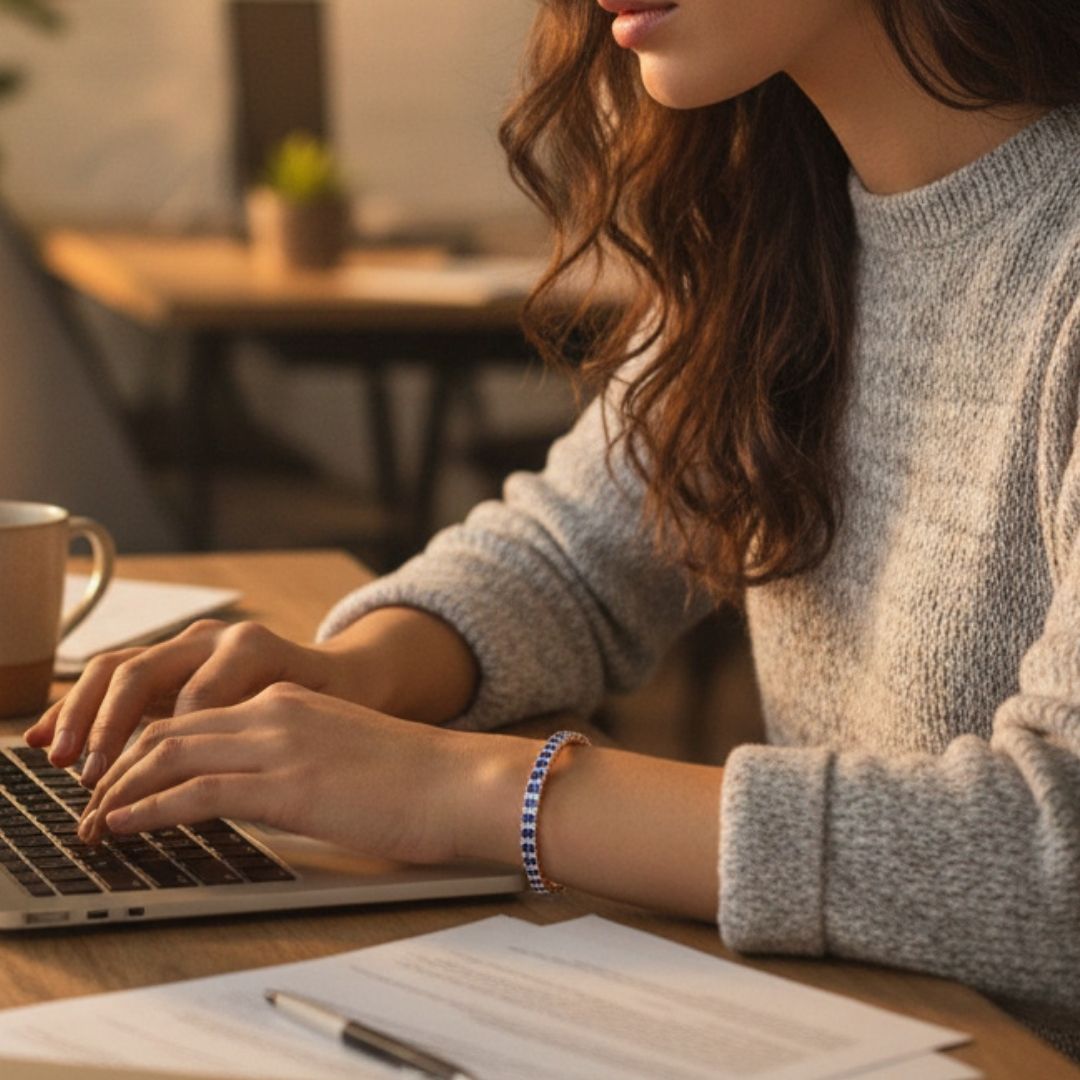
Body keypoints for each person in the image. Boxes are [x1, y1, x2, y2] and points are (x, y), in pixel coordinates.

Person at [26, 0, 1080, 1059]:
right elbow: (575, 548)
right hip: (866, 1027)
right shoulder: (774, 205)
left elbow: (1054, 855)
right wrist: (353, 672)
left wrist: (466, 789)